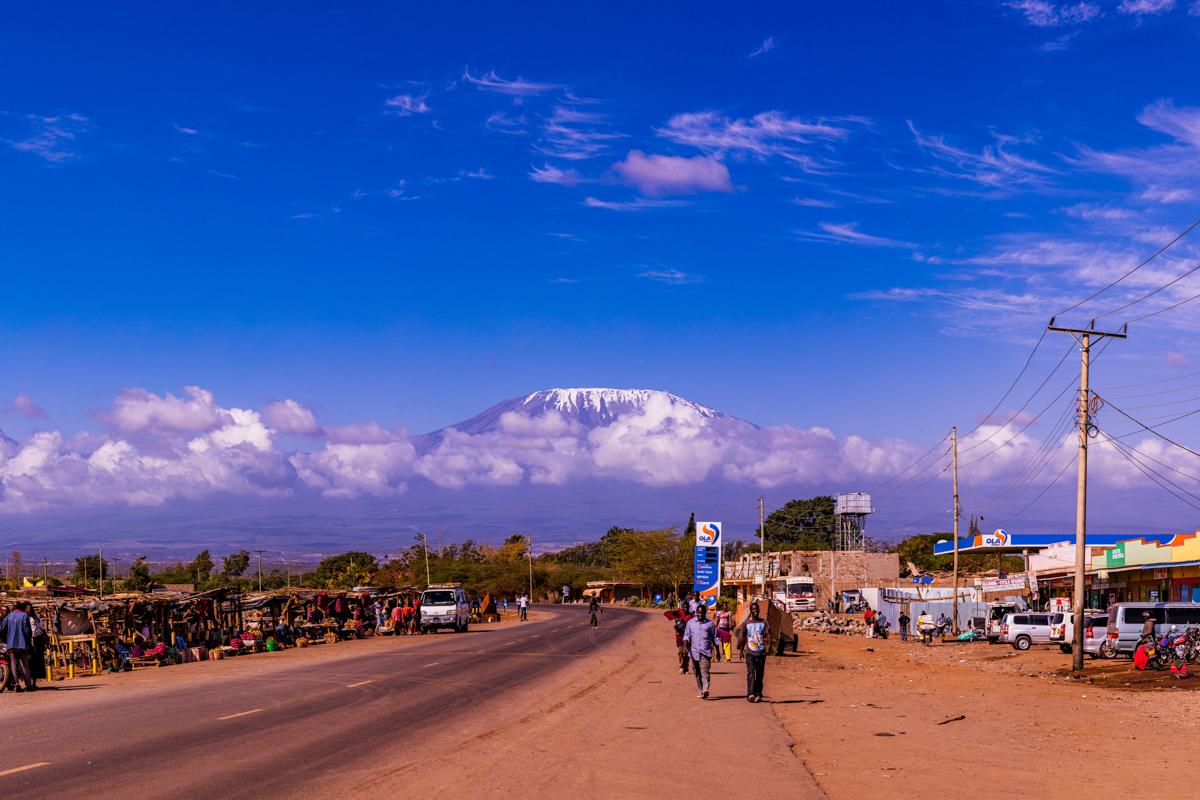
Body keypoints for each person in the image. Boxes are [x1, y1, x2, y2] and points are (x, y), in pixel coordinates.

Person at [683, 604, 720, 699]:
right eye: (698, 613)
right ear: (696, 612)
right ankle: (701, 691)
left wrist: (718, 651)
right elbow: (686, 636)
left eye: (702, 613)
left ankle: (705, 689)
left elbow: (715, 638)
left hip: (706, 652)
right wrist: (684, 647)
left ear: (705, 613)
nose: (700, 615)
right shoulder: (690, 623)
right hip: (694, 652)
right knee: (697, 672)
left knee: (704, 671)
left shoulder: (710, 624)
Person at [736, 601, 771, 702]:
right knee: (750, 673)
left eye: (757, 609)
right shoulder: (746, 622)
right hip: (750, 653)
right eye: (753, 609)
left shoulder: (764, 622)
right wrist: (741, 650)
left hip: (761, 653)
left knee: (760, 674)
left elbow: (768, 633)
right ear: (750, 611)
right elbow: (743, 637)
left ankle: (758, 693)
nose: (755, 611)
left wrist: (769, 644)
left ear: (759, 610)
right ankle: (750, 694)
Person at [0, 601, 35, 692]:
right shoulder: (24, 616)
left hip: (11, 646)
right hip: (22, 645)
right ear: (21, 607)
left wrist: (8, 636)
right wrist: (28, 643)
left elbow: (2, 630)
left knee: (14, 666)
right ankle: (28, 685)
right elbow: (27, 631)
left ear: (13, 607)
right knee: (24, 666)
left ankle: (16, 686)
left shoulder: (8, 617)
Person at [664, 607, 692, 674]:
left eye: (687, 607)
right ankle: (681, 667)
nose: (685, 609)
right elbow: (666, 613)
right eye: (684, 607)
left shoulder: (691, 616)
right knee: (680, 651)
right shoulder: (678, 612)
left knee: (687, 652)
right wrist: (674, 618)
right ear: (682, 608)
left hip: (688, 636)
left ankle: (686, 667)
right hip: (679, 635)